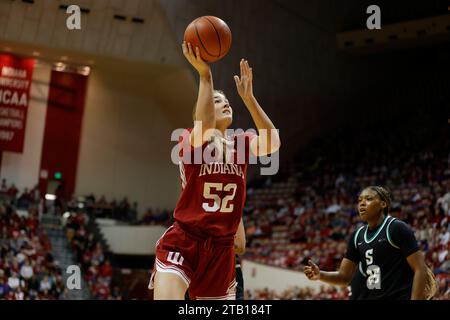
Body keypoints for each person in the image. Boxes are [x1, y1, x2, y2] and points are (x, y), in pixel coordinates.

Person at [149, 42, 280, 300]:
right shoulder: (189, 139)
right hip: (185, 239)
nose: (225, 103)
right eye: (217, 100)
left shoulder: (240, 143)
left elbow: (273, 143)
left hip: (221, 249)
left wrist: (249, 100)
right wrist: (204, 75)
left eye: (227, 100)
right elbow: (206, 126)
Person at [304, 186, 432, 300]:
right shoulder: (357, 236)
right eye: (360, 200)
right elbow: (344, 277)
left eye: (368, 199)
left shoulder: (396, 228)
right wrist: (320, 275)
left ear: (383, 204)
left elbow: (420, 268)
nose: (362, 204)